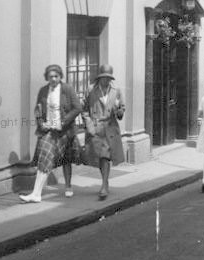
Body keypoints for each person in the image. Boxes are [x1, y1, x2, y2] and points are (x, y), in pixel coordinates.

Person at [20, 64, 82, 203]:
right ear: (47, 77)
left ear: (60, 77)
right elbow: (38, 110)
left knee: (67, 159)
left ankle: (68, 186)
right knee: (45, 156)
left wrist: (63, 122)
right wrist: (41, 123)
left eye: (56, 76)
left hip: (65, 131)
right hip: (48, 130)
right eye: (50, 77)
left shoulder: (67, 89)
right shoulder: (43, 90)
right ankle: (36, 194)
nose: (53, 79)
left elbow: (77, 108)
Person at [82, 64, 125, 200]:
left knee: (105, 156)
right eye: (103, 78)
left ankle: (104, 184)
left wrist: (119, 110)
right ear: (99, 78)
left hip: (110, 127)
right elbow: (83, 109)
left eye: (108, 78)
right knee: (100, 157)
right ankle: (105, 181)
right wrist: (89, 124)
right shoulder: (91, 90)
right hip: (95, 127)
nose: (106, 80)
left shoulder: (116, 90)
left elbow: (122, 110)